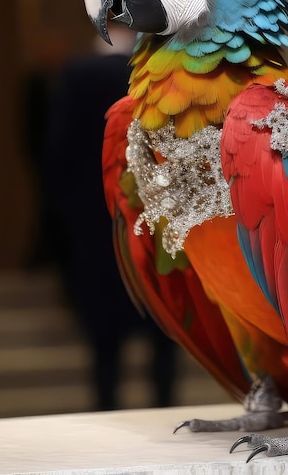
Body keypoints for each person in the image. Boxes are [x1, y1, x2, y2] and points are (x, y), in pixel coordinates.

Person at [44, 25, 178, 410]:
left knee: (103, 339)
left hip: (95, 222)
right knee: (162, 327)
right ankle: (166, 406)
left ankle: (105, 409)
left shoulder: (77, 76)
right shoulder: (160, 72)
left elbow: (58, 157)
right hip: (154, 218)